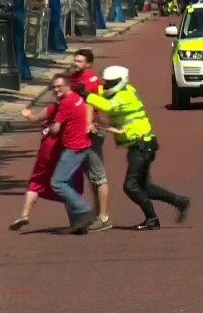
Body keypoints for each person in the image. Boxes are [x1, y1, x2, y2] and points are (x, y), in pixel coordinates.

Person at [77, 65, 191, 230]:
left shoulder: (124, 96)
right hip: (140, 145)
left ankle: (152, 219)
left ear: (119, 82)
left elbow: (107, 106)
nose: (106, 85)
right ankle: (180, 201)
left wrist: (87, 95)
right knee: (145, 186)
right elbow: (101, 91)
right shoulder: (121, 90)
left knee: (131, 186)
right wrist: (85, 88)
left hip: (141, 145)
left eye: (110, 83)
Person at [12, 82, 87, 230]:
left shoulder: (54, 108)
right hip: (66, 150)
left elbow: (36, 119)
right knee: (70, 185)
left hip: (49, 149)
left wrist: (27, 115)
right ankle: (76, 221)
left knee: (36, 182)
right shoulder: (79, 106)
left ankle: (25, 215)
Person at [42, 74, 98, 234]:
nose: (56, 89)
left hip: (74, 147)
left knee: (57, 183)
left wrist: (49, 131)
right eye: (54, 87)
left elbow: (56, 129)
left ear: (67, 85)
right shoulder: (76, 98)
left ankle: (85, 210)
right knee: (68, 183)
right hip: (82, 145)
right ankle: (78, 222)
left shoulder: (66, 103)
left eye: (59, 86)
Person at [68, 49, 111, 231]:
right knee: (89, 175)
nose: (75, 63)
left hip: (92, 130)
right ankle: (95, 212)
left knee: (98, 175)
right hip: (77, 132)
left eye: (79, 61)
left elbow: (90, 104)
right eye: (75, 60)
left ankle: (103, 217)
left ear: (88, 64)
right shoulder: (73, 79)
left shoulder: (90, 81)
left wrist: (88, 124)